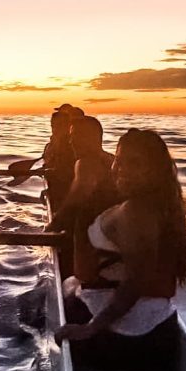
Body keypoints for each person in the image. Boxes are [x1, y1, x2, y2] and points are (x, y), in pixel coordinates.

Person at [55, 128, 186, 369]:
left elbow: (137, 280)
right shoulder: (162, 207)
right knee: (70, 285)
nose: (121, 169)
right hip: (156, 330)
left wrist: (91, 328)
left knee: (52, 297)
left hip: (125, 339)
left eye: (135, 163)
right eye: (119, 160)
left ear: (154, 170)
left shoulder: (135, 212)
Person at [46, 116, 119, 279]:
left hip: (95, 253)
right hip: (113, 243)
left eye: (75, 136)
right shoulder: (112, 160)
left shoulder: (85, 163)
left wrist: (53, 225)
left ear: (90, 137)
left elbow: (79, 195)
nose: (71, 141)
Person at [43, 110, 77, 211]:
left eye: (60, 125)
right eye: (53, 125)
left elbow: (67, 172)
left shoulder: (72, 146)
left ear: (68, 126)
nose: (55, 129)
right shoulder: (50, 145)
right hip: (56, 188)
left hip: (66, 191)